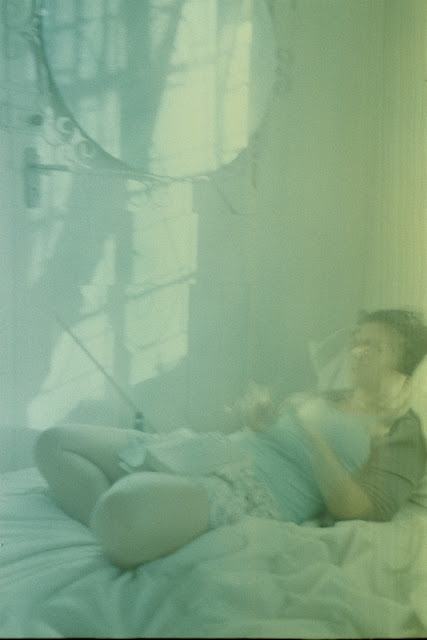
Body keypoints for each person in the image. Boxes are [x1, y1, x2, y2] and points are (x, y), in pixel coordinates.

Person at [34, 309, 427, 569]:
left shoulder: (400, 429)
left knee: (120, 509)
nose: (357, 352)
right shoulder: (327, 395)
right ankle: (127, 531)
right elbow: (269, 433)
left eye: (374, 346)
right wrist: (257, 418)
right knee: (54, 442)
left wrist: (311, 432)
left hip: (250, 491)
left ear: (405, 363)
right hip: (209, 452)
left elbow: (358, 511)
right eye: (357, 340)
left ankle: (131, 524)